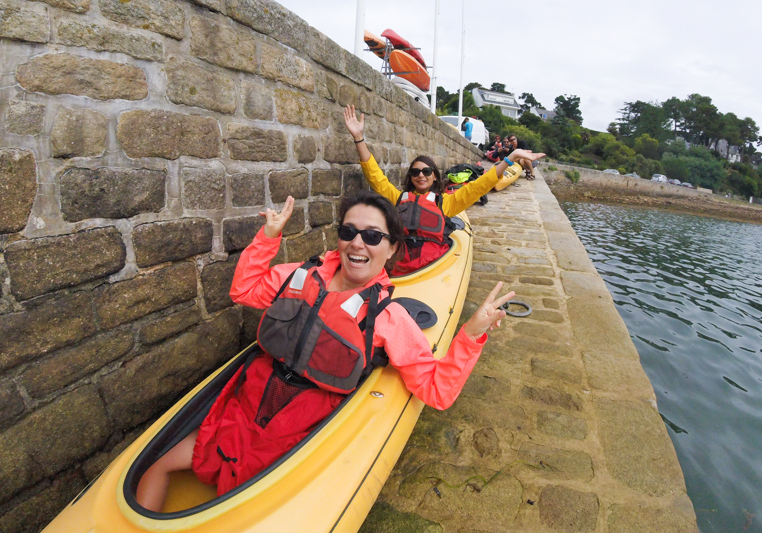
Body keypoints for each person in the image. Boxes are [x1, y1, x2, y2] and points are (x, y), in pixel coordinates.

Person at [135, 190, 516, 512]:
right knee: (155, 468)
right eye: (349, 231)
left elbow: (437, 390)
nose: (358, 243)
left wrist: (470, 333)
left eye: (372, 236)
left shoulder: (387, 317)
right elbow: (244, 291)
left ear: (392, 248)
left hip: (300, 427)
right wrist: (268, 237)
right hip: (246, 406)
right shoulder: (300, 276)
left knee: (243, 507)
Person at [343, 105, 545, 275]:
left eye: (426, 171)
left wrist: (510, 159)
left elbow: (481, 185)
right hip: (398, 263)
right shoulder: (397, 199)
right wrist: (358, 137)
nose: (420, 175)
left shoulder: (446, 204)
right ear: (410, 178)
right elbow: (374, 174)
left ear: (434, 176)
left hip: (429, 266)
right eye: (415, 172)